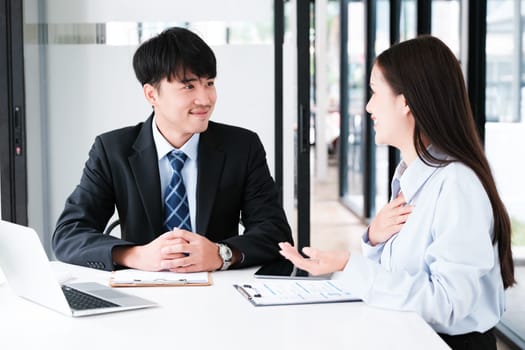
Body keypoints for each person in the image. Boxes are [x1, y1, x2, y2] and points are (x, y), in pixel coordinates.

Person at [279, 35, 515, 350]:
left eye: (375, 92)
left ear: (405, 102)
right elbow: (403, 277)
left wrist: (348, 264)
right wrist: (374, 240)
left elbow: (448, 304)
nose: (368, 106)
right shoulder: (411, 175)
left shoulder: (456, 184)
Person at [53, 26, 292, 273]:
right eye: (189, 87)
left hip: (218, 291)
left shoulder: (242, 147)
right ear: (151, 94)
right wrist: (135, 255)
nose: (205, 99)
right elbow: (68, 234)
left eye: (209, 83)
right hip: (142, 292)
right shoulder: (112, 150)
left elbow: (276, 234)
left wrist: (221, 254)